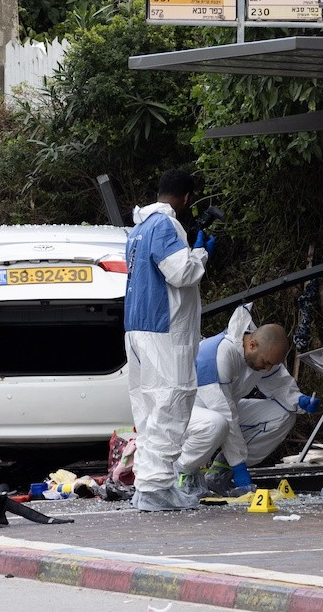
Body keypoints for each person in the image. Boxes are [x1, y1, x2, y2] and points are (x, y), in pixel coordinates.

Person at [124, 168, 214, 511]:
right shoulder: (165, 224)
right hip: (163, 329)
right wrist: (202, 254)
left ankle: (151, 485)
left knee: (150, 410)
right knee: (171, 403)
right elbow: (180, 272)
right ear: (187, 197)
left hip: (137, 327)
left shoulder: (139, 228)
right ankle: (154, 490)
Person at [175, 304, 320, 497]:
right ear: (252, 345)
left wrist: (299, 400)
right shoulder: (218, 354)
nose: (268, 368)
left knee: (284, 416)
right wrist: (240, 468)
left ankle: (220, 472)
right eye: (267, 363)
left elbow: (279, 384)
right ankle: (180, 473)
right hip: (185, 411)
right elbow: (225, 414)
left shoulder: (259, 355)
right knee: (217, 424)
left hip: (221, 410)